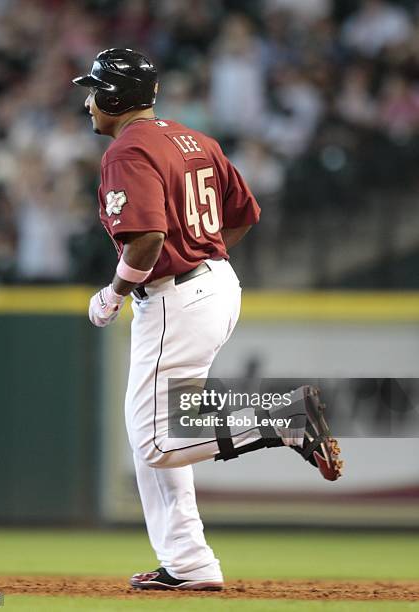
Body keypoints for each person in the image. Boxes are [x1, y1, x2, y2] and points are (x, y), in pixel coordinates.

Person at [73, 48, 343, 591]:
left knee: (154, 440)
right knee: (155, 431)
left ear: (114, 96)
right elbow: (243, 214)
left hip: (176, 295)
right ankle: (189, 562)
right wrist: (203, 256)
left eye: (94, 89)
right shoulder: (193, 138)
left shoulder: (127, 149)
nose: (87, 101)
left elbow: (147, 240)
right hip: (213, 283)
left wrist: (115, 291)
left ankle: (282, 418)